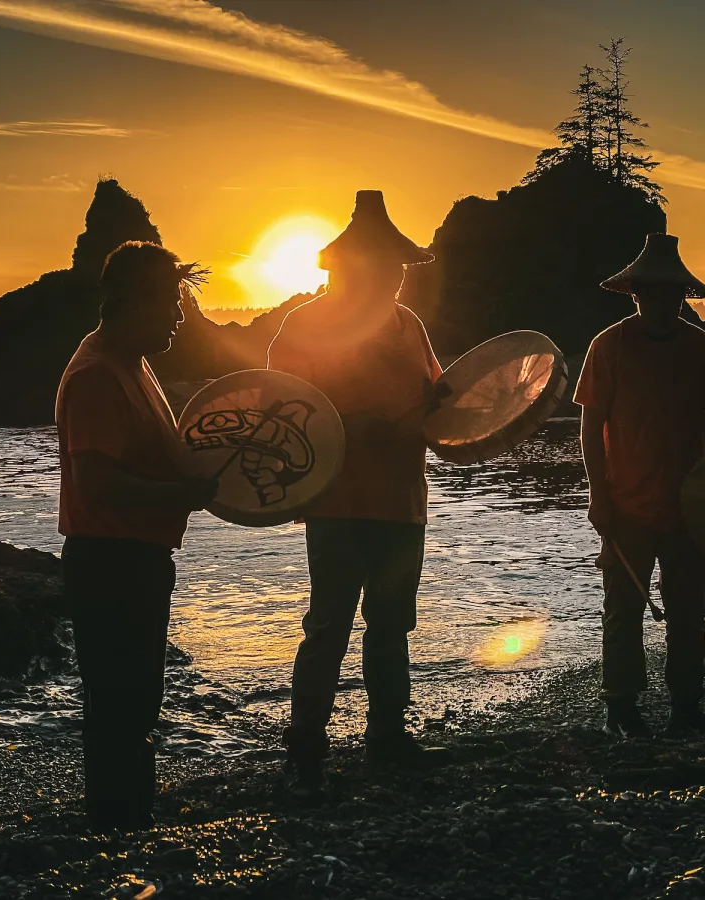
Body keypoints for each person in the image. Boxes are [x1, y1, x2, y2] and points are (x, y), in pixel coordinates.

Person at [267, 190, 451, 797]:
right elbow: (280, 412)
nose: (397, 278)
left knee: (392, 625)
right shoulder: (307, 325)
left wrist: (446, 405)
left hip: (402, 500)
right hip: (336, 504)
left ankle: (388, 737)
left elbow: (433, 397)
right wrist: (354, 422)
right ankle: (306, 748)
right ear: (349, 265)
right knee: (329, 626)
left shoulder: (407, 325)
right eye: (386, 266)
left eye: (400, 267)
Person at [55, 240, 218, 831]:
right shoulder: (99, 374)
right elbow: (99, 484)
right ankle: (115, 825)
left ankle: (128, 819)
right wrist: (184, 496)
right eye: (171, 302)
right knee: (119, 702)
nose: (180, 315)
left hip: (136, 556)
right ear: (133, 301)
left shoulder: (131, 364)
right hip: (109, 560)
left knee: (135, 697)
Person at [575, 233, 705, 740]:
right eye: (650, 293)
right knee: (623, 609)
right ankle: (621, 706)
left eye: (670, 294)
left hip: (691, 505)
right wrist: (597, 495)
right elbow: (589, 426)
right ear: (635, 294)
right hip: (625, 504)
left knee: (689, 609)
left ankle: (686, 706)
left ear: (682, 297)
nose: (661, 302)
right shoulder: (608, 347)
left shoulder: (703, 348)